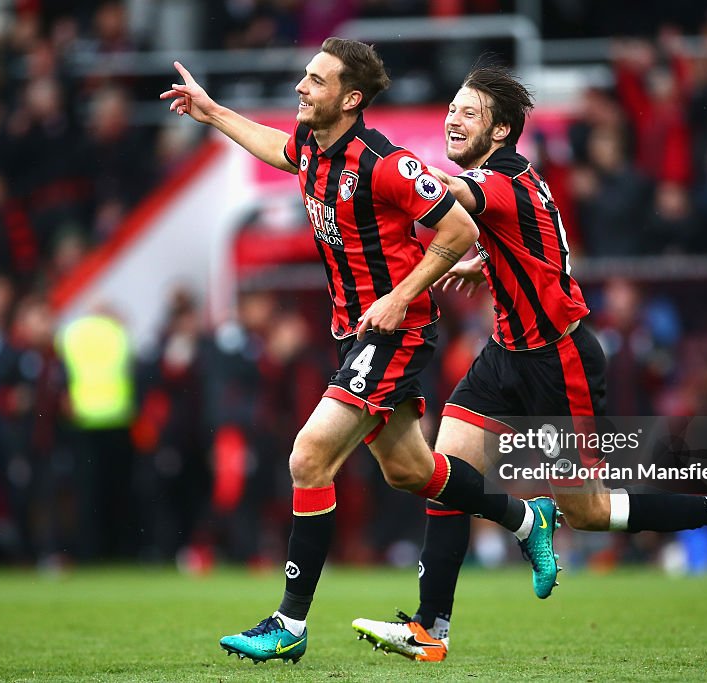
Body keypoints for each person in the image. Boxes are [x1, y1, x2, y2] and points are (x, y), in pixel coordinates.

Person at [161, 38, 558, 665]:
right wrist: (212, 113)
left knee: (308, 456)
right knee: (411, 471)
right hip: (357, 333)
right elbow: (278, 150)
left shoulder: (386, 163)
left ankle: (289, 623)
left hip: (395, 333)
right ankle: (526, 520)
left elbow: (459, 230)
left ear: (350, 98)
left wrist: (400, 297)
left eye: (315, 80)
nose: (301, 87)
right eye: (305, 76)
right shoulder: (312, 151)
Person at [351, 65, 707, 662]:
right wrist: (485, 263)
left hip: (557, 361)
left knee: (589, 511)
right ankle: (429, 628)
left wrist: (380, 174)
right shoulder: (516, 178)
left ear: (499, 132)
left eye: (470, 112)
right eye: (453, 108)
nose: (453, 117)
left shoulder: (494, 184)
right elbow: (534, 242)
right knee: (449, 475)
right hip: (505, 354)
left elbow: (448, 200)